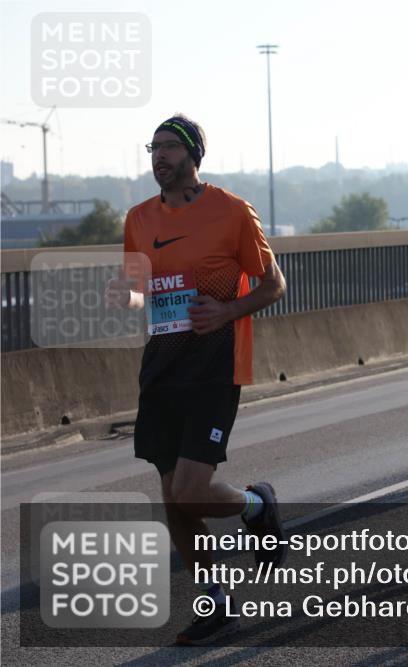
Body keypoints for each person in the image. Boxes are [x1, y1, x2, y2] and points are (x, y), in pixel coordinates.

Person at [105, 115, 287, 645]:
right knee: (173, 500)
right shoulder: (139, 218)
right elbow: (140, 290)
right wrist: (125, 294)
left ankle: (257, 505)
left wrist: (227, 310)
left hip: (214, 366)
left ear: (193, 155)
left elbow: (274, 284)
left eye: (169, 147)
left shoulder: (232, 211)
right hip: (161, 371)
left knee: (189, 492)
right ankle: (215, 604)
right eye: (153, 148)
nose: (159, 156)